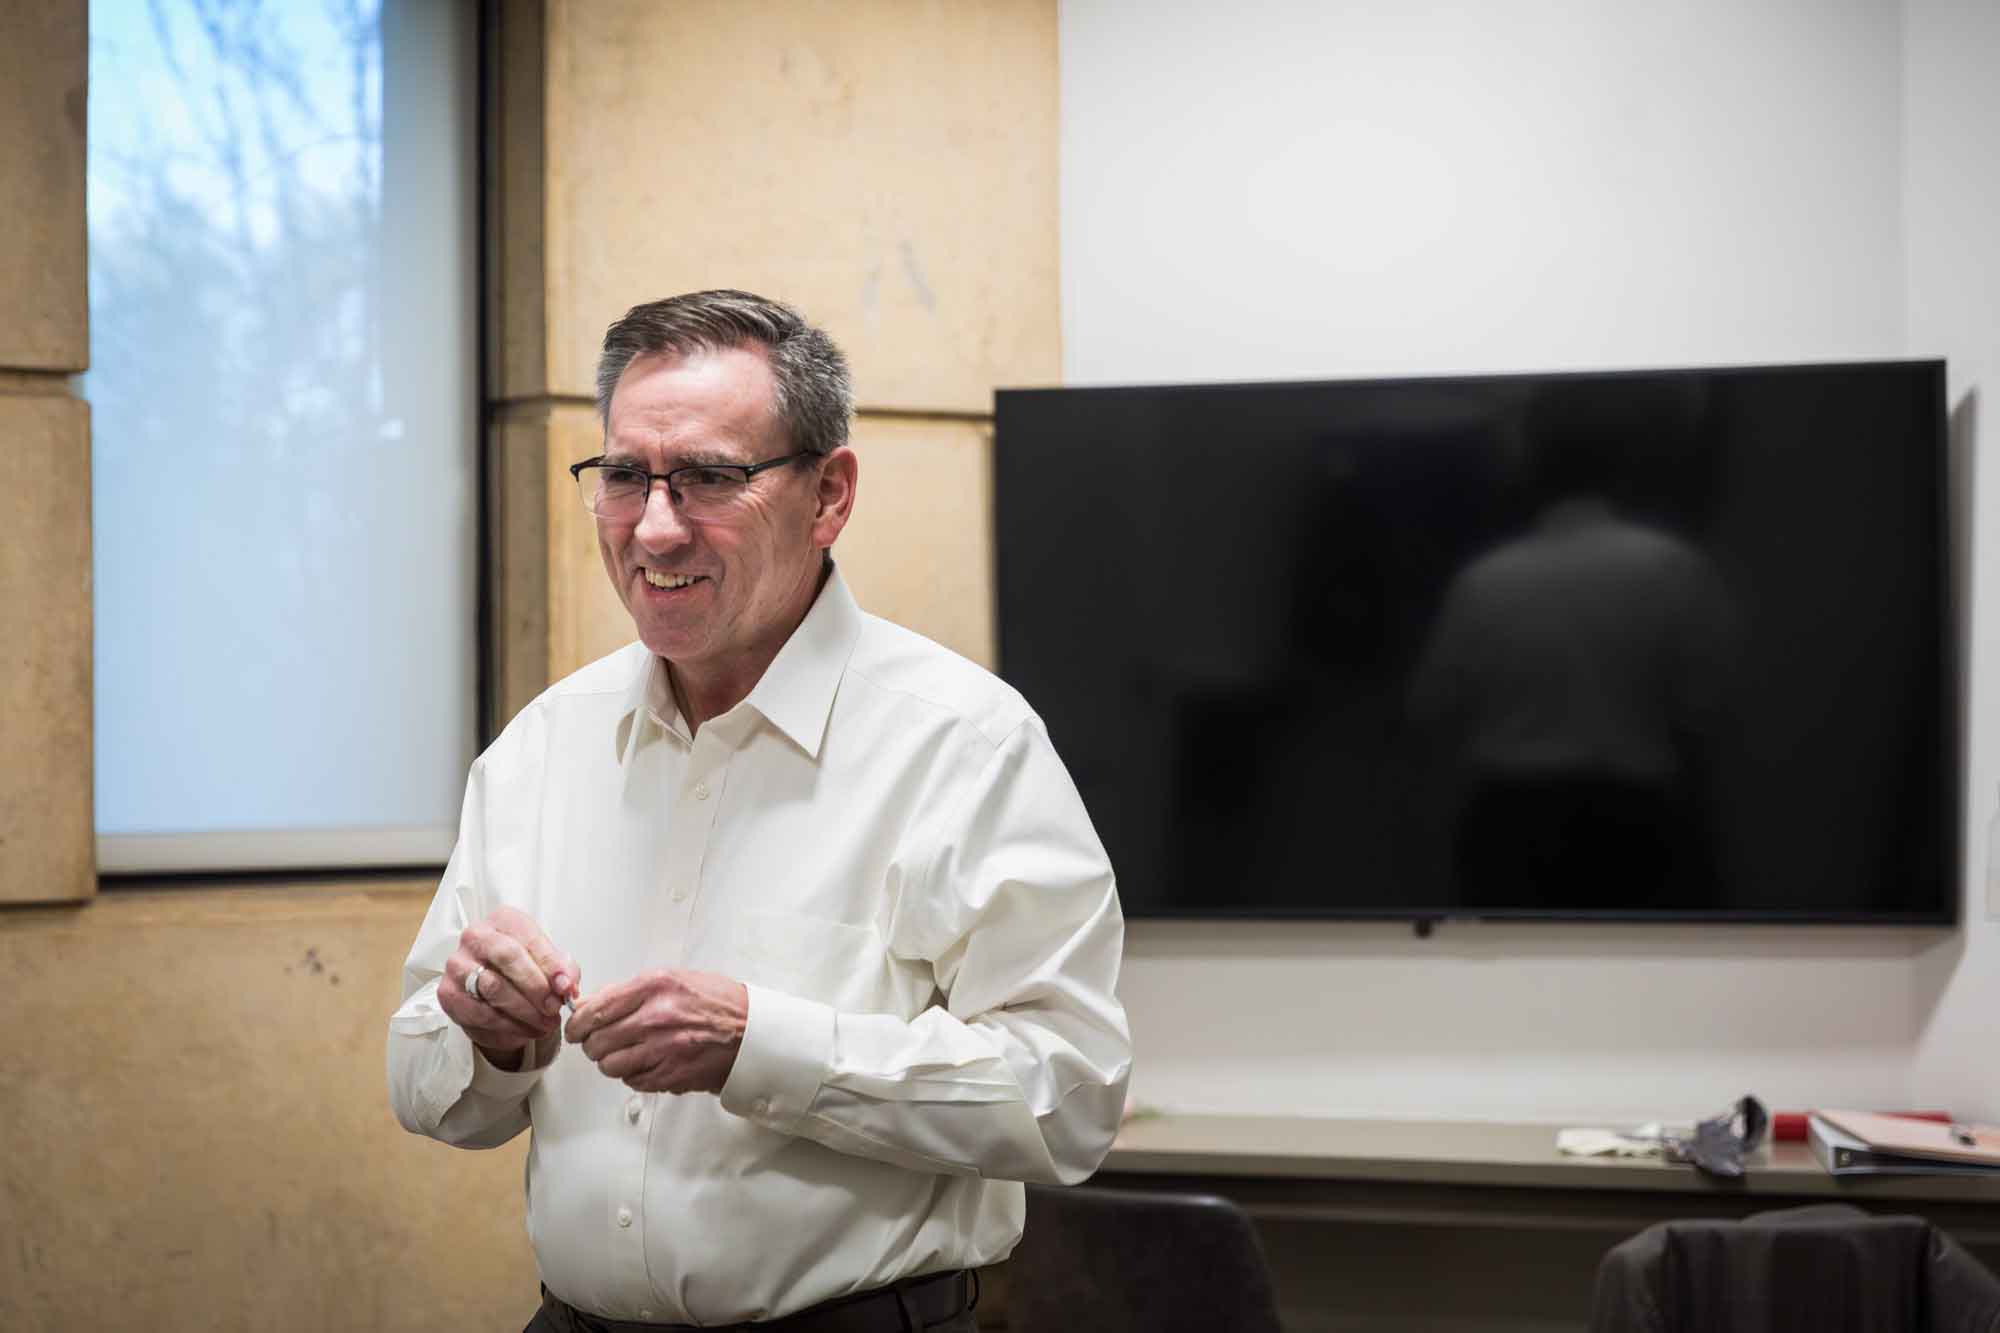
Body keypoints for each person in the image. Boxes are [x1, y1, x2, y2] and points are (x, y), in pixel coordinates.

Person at [387, 290, 1132, 1331]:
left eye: (707, 478)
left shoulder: (964, 744)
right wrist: (488, 1040)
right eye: (622, 477)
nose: (652, 525)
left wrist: (763, 1047)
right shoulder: (542, 746)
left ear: (828, 495)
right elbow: (425, 1086)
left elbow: (1070, 1096)